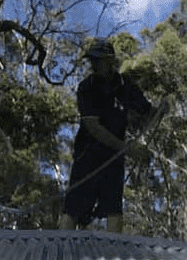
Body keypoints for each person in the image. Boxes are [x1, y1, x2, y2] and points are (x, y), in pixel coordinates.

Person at [59, 39, 153, 233]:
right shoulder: (87, 87)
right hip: (87, 156)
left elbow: (147, 113)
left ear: (110, 60)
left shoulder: (125, 86)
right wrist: (129, 149)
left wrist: (161, 109)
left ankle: (113, 257)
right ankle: (60, 252)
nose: (93, 64)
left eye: (97, 60)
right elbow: (93, 127)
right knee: (72, 209)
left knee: (114, 209)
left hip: (114, 159)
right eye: (91, 60)